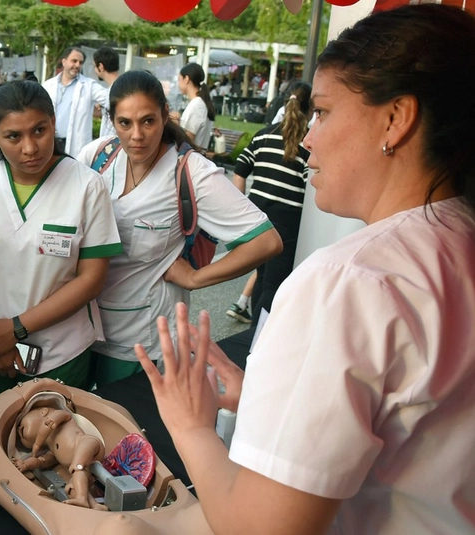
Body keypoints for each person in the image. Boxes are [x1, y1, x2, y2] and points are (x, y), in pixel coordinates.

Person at [136, 5, 475, 533]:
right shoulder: (457, 237)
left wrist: (189, 424)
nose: (308, 138)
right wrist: (272, 400)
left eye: (323, 112)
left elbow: (259, 527)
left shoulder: (352, 281)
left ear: (395, 119)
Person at [77, 71, 281, 387]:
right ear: (111, 120)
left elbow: (266, 241)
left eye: (148, 121)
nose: (136, 135)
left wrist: (196, 278)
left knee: (129, 432)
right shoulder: (98, 157)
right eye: (124, 123)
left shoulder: (190, 173)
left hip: (143, 345)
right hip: (85, 332)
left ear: (165, 115)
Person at [0, 80, 123, 418]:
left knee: (55, 454)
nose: (30, 147)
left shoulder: (87, 186)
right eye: (13, 136)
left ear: (53, 122)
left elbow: (91, 279)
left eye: (39, 130)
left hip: (59, 353)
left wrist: (15, 328)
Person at [233, 82, 312, 327]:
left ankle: (254, 336)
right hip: (288, 225)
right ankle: (258, 337)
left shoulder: (263, 135)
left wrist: (242, 207)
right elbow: (311, 188)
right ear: (310, 110)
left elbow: (240, 169)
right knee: (274, 285)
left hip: (258, 219)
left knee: (262, 276)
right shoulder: (308, 146)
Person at [42, 47, 109, 157]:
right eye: (74, 61)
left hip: (75, 145)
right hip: (52, 141)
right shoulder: (48, 85)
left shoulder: (89, 86)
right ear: (64, 62)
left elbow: (110, 98)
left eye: (80, 62)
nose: (77, 65)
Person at [174, 63, 215, 150]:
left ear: (186, 79)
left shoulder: (197, 106)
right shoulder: (199, 103)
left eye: (179, 79)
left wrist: (175, 124)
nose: (178, 84)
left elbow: (188, 140)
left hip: (193, 158)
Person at [92, 46, 120, 139]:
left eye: (94, 66)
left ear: (100, 66)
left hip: (113, 146)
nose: (94, 70)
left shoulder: (116, 91)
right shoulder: (115, 89)